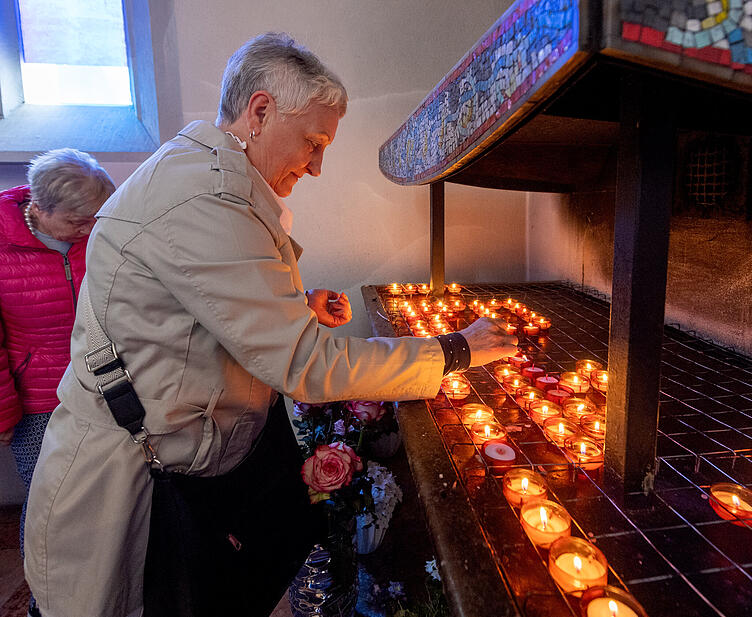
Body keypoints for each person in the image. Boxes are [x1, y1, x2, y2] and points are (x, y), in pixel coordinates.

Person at [24, 32, 516, 617]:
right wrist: (455, 348)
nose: (316, 164)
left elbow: (189, 310)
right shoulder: (204, 196)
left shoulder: (206, 175)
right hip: (126, 490)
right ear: (260, 111)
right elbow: (310, 366)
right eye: (312, 141)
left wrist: (295, 305)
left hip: (172, 465)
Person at [0, 149, 115, 558]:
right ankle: (45, 598)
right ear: (39, 208)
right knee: (48, 507)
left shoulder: (100, 231)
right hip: (38, 402)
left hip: (105, 389)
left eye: (95, 219)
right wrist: (3, 414)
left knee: (109, 500)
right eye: (76, 222)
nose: (89, 230)